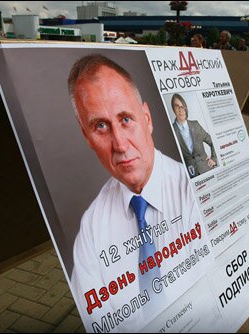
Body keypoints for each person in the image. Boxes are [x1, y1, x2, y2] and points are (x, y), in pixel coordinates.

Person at [67, 54, 207, 331]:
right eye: (101, 126)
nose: (119, 144)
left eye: (126, 119)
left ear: (147, 118)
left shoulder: (195, 191)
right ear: (86, 137)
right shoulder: (92, 227)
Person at [170, 93, 217, 178]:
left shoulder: (196, 125)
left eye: (182, 106)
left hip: (207, 169)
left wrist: (214, 158)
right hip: (189, 176)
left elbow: (212, 141)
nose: (181, 110)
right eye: (177, 106)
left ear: (185, 108)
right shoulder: (171, 131)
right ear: (173, 109)